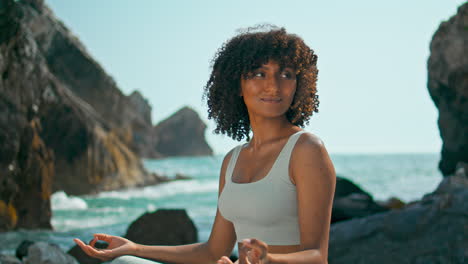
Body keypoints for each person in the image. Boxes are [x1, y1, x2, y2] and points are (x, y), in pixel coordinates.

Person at [74, 25, 336, 264]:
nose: (274, 85)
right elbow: (213, 252)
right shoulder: (232, 160)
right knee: (124, 262)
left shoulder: (306, 150)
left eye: (286, 74)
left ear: (298, 84)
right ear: (237, 84)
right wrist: (134, 248)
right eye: (259, 73)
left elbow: (317, 256)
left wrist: (269, 261)